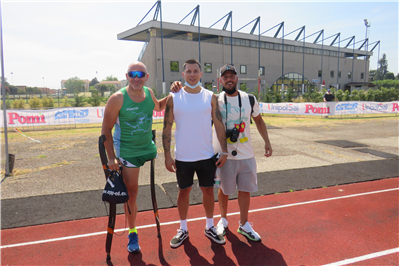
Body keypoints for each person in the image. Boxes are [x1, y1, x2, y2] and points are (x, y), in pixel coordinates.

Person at [101, 61, 169, 254]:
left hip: (148, 148)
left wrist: (174, 95)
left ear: (146, 77)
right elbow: (106, 129)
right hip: (127, 152)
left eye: (140, 74)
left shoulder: (149, 93)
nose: (136, 78)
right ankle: (132, 233)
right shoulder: (117, 99)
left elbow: (158, 107)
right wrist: (112, 157)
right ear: (127, 76)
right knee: (131, 193)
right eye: (133, 74)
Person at [162, 59, 229, 248]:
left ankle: (209, 226)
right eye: (188, 71)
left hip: (206, 155)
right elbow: (167, 128)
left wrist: (224, 151)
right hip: (183, 156)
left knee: (208, 190)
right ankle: (183, 229)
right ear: (183, 75)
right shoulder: (173, 98)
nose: (192, 74)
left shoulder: (210, 97)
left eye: (195, 71)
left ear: (201, 74)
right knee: (184, 192)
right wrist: (167, 155)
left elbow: (218, 125)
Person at [214, 64, 273, 241]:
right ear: (220, 80)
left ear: (237, 78)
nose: (229, 79)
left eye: (232, 76)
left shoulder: (250, 99)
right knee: (224, 190)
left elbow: (259, 121)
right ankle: (223, 220)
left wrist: (267, 142)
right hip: (224, 155)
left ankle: (244, 224)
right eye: (225, 77)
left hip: (246, 154)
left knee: (245, 190)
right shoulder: (214, 100)